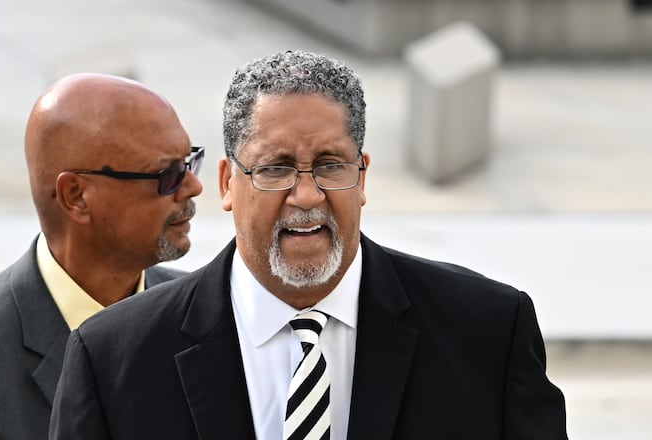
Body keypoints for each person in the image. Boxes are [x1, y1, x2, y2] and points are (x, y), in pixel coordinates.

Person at [49, 51, 567, 439]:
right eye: (275, 168)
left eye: (330, 165)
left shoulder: (488, 333)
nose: (306, 195)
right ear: (228, 183)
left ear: (361, 177)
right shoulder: (114, 358)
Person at [0, 73, 203, 439]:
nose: (193, 186)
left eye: (190, 161)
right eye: (167, 174)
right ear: (75, 196)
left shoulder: (207, 316)